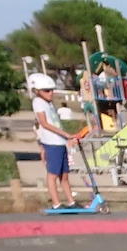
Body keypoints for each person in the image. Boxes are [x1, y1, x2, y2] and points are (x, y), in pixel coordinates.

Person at [28, 73, 78, 209]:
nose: (51, 93)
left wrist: (67, 138)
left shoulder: (48, 103)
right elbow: (44, 123)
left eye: (51, 90)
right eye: (46, 91)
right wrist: (66, 134)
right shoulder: (38, 102)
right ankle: (56, 203)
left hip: (60, 142)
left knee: (65, 175)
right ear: (36, 91)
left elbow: (55, 122)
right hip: (52, 142)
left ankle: (71, 201)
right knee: (53, 174)